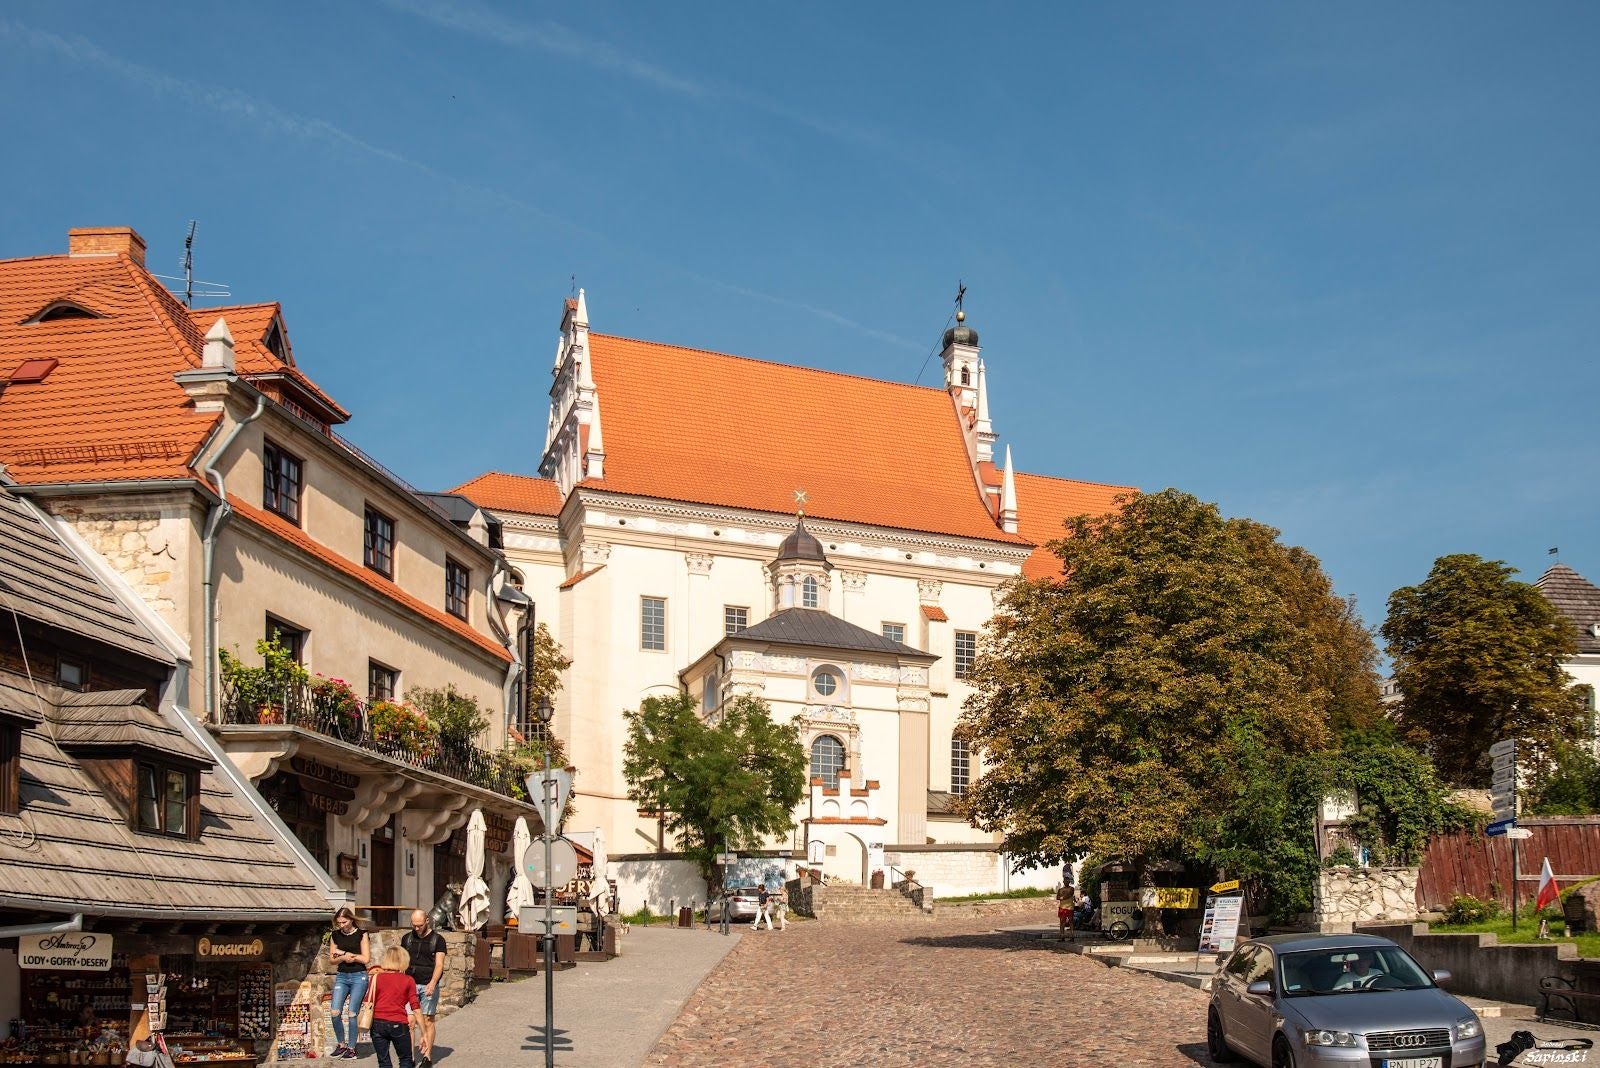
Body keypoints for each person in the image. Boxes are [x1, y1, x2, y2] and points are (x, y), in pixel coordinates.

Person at [400, 909, 447, 1068]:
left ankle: (427, 1056)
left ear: (427, 920)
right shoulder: (407, 938)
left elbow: (439, 964)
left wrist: (433, 983)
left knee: (427, 1021)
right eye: (414, 925)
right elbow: (401, 962)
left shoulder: (438, 940)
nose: (416, 928)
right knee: (409, 1022)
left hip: (428, 983)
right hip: (409, 984)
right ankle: (411, 1058)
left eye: (419, 925)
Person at [327, 906, 371, 1059]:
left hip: (359, 976)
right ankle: (341, 1044)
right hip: (342, 975)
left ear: (351, 920)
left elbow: (365, 959)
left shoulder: (362, 934)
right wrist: (342, 957)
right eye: (339, 923)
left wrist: (344, 952)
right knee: (334, 1012)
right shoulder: (335, 935)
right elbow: (332, 959)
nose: (341, 925)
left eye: (344, 922)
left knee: (352, 1013)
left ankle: (351, 1048)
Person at [367, 947, 421, 1068]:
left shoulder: (376, 978)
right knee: (406, 1060)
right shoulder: (408, 980)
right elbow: (415, 1006)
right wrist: (424, 1033)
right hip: (398, 1023)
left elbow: (368, 1000)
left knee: (383, 1062)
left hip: (377, 1023)